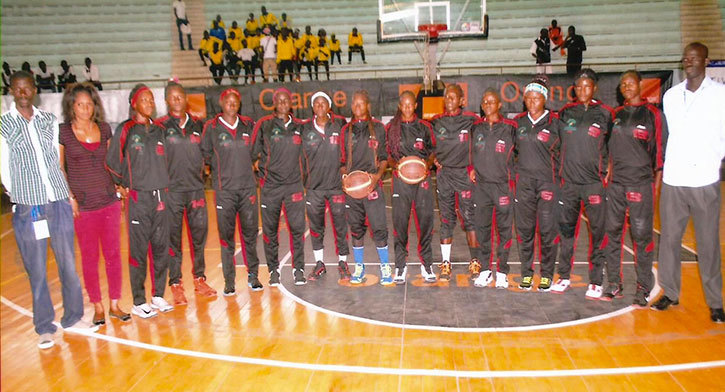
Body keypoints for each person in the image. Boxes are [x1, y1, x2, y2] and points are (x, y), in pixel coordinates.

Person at [1, 71, 99, 349]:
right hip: (28, 206)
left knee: (68, 263)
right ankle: (44, 326)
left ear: (34, 90)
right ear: (12, 90)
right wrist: (21, 196)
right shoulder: (4, 124)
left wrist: (65, 193)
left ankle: (73, 317)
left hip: (57, 201)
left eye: (27, 88)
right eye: (17, 88)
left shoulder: (48, 120)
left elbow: (56, 161)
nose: (23, 92)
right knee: (37, 269)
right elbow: (3, 166)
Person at [653, 42, 725, 323]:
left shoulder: (719, 95)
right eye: (686, 58)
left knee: (708, 244)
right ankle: (670, 292)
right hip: (674, 178)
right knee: (669, 240)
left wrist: (714, 157)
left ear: (705, 61)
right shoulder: (671, 95)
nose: (689, 62)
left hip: (704, 179)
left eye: (695, 58)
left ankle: (716, 302)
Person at [58, 82, 129, 326]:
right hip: (84, 207)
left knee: (113, 255)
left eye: (89, 104)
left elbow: (112, 164)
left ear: (94, 106)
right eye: (80, 104)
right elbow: (60, 168)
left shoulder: (105, 129)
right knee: (89, 257)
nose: (85, 108)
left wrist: (119, 192)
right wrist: (70, 197)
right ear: (72, 106)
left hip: (108, 202)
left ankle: (114, 304)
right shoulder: (64, 132)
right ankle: (98, 306)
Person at [106, 84, 173, 318]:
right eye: (144, 100)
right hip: (138, 198)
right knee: (138, 251)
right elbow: (112, 161)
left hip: (161, 197)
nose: (149, 103)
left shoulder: (160, 130)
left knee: (161, 248)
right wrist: (121, 185)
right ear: (134, 103)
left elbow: (169, 162)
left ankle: (158, 295)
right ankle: (138, 300)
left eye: (151, 100)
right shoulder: (126, 129)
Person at [604, 70, 665, 307]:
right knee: (613, 235)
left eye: (630, 83)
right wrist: (609, 172)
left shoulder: (653, 114)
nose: (626, 87)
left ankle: (643, 287)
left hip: (641, 184)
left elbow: (659, 155)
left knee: (642, 237)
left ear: (640, 84)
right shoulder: (616, 114)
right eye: (623, 85)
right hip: (616, 185)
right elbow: (610, 149)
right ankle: (614, 283)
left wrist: (655, 188)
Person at [156, 82, 217, 306]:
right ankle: (176, 284)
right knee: (173, 239)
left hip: (195, 190)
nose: (177, 100)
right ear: (166, 100)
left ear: (185, 98)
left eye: (180, 96)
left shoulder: (198, 125)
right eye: (172, 97)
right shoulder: (160, 126)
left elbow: (208, 154)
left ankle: (200, 279)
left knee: (198, 238)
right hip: (171, 192)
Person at [553, 69, 612, 298]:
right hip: (568, 184)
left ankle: (596, 281)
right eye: (578, 87)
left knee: (598, 233)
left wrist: (608, 172)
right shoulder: (565, 113)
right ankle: (564, 276)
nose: (582, 90)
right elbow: (556, 146)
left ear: (594, 88)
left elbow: (614, 146)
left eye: (587, 86)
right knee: (567, 232)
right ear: (574, 89)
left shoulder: (606, 114)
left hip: (594, 184)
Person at [201, 88, 262, 294]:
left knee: (250, 235)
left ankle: (253, 276)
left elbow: (255, 152)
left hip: (247, 190)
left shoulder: (248, 125)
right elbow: (206, 154)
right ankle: (229, 281)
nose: (232, 104)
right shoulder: (212, 127)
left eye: (235, 101)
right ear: (221, 103)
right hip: (224, 191)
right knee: (226, 238)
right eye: (228, 100)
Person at [252, 88, 308, 285]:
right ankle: (273, 270)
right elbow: (251, 153)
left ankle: (298, 269)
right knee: (270, 231)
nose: (284, 103)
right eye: (280, 100)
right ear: (274, 103)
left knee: (297, 230)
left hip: (294, 186)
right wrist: (262, 174)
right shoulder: (264, 125)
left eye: (287, 100)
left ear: (291, 102)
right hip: (270, 187)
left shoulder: (300, 126)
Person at [512, 76, 562, 291]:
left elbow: (564, 153)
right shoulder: (519, 123)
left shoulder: (555, 122)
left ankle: (547, 274)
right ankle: (526, 273)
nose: (532, 102)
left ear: (544, 99)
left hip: (547, 184)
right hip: (524, 184)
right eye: (529, 98)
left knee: (548, 230)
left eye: (536, 98)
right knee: (525, 230)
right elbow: (511, 152)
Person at [430, 84, 481, 281]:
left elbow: (483, 143)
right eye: (446, 96)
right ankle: (445, 263)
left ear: (461, 101)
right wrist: (433, 158)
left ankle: (475, 260)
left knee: (470, 219)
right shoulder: (436, 122)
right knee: (446, 220)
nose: (449, 99)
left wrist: (476, 167)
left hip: (465, 176)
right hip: (444, 177)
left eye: (453, 97)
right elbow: (430, 147)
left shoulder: (472, 121)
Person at [340, 90, 391, 285]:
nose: (357, 107)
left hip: (372, 188)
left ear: (368, 105)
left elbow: (385, 157)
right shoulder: (346, 130)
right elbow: (342, 161)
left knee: (379, 229)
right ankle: (359, 267)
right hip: (353, 190)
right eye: (354, 104)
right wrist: (345, 177)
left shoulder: (378, 128)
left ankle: (385, 266)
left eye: (361, 104)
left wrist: (377, 177)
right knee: (356, 229)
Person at [386, 91, 437, 284]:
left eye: (410, 104)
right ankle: (400, 266)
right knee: (400, 224)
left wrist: (427, 165)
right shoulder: (391, 128)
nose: (407, 108)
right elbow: (388, 154)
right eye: (404, 105)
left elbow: (433, 151)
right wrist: (395, 165)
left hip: (422, 181)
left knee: (425, 223)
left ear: (415, 105)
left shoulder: (424, 127)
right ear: (400, 106)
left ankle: (427, 264)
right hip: (400, 180)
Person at [301, 92, 352, 281]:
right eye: (316, 103)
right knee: (316, 228)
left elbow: (349, 150)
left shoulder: (340, 124)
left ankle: (342, 263)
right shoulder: (305, 129)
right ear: (313, 107)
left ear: (329, 106)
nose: (320, 106)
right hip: (314, 188)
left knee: (340, 226)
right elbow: (299, 157)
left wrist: (348, 173)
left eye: (323, 103)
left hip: (336, 186)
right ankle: (319, 263)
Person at [470, 89, 516, 289]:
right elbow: (470, 153)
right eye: (484, 101)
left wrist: (513, 178)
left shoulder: (511, 128)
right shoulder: (476, 128)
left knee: (505, 230)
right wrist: (471, 168)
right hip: (481, 187)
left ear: (499, 105)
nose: (488, 104)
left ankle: (502, 271)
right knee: (483, 230)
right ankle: (485, 271)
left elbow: (521, 155)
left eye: (492, 101)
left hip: (502, 187)